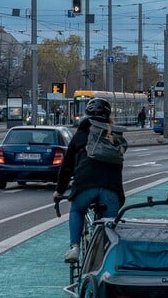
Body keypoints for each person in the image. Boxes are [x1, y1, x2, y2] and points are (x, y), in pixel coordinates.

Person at [54, 97, 125, 263]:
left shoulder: (81, 133)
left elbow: (67, 166)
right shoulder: (114, 134)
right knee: (109, 226)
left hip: (85, 185)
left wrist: (59, 190)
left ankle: (74, 247)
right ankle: (109, 256)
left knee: (77, 210)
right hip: (111, 188)